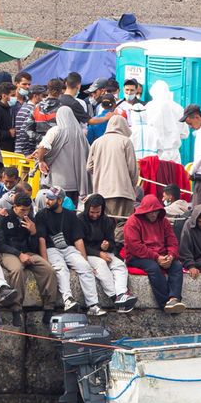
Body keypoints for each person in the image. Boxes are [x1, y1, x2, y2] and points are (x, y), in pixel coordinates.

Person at [34, 188, 106, 316]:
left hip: (68, 248)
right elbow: (41, 239)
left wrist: (85, 260)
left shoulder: (71, 215)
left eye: (51, 198)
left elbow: (78, 239)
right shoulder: (41, 215)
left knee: (85, 267)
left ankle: (93, 305)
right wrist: (45, 262)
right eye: (47, 197)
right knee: (61, 268)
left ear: (60, 200)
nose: (47, 201)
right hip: (51, 248)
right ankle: (68, 299)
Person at [0, 194, 59, 326]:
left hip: (27, 252)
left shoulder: (30, 219)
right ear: (14, 207)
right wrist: (19, 254)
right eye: (22, 210)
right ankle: (17, 309)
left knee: (48, 269)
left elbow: (33, 246)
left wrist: (33, 233)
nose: (25, 213)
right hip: (7, 252)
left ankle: (49, 307)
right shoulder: (3, 217)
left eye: (27, 209)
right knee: (17, 270)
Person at [123, 194, 186, 313]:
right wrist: (157, 258)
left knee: (177, 266)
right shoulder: (133, 222)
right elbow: (135, 247)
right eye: (150, 212)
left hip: (161, 255)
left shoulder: (164, 221)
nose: (153, 214)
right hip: (137, 256)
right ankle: (164, 303)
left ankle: (174, 299)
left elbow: (172, 241)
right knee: (153, 267)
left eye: (156, 212)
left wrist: (171, 256)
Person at [79, 194, 138, 313]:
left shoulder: (106, 220)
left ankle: (121, 293)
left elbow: (112, 242)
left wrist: (107, 245)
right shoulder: (80, 220)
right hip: (86, 253)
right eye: (92, 212)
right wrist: (98, 253)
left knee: (119, 264)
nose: (95, 215)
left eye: (98, 212)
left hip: (104, 252)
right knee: (101, 265)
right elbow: (80, 244)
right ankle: (114, 296)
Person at [87, 115, 138, 244]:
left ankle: (107, 249)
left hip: (102, 192)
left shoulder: (97, 142)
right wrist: (132, 186)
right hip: (123, 191)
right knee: (122, 223)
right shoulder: (125, 142)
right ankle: (117, 251)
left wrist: (101, 174)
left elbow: (89, 167)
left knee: (106, 223)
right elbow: (133, 169)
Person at [36, 105, 91, 203]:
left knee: (55, 207)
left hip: (56, 182)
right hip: (75, 184)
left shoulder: (56, 130)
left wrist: (40, 161)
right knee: (71, 208)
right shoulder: (80, 135)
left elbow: (42, 146)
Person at [146, 81, 188, 163]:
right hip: (174, 153)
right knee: (175, 175)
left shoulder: (149, 107)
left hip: (156, 153)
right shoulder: (178, 108)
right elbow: (184, 134)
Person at [22, 78, 63, 148]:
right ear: (60, 91)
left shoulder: (37, 107)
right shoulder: (63, 109)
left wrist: (42, 138)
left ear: (48, 90)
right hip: (58, 149)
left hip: (40, 148)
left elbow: (27, 129)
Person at [14, 84, 44, 155]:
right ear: (35, 96)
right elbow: (24, 131)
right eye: (42, 96)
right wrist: (27, 153)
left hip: (19, 149)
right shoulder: (32, 110)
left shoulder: (23, 107)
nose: (43, 99)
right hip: (26, 152)